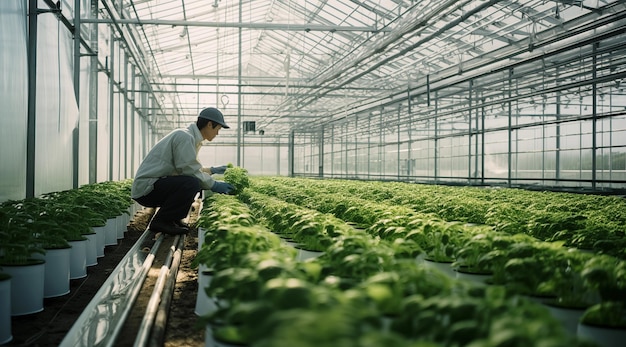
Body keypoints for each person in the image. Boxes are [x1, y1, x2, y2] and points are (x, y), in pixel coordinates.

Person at [131, 107, 235, 235]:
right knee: (191, 183)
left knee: (191, 181)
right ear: (209, 124)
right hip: (147, 189)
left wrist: (211, 170)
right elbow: (190, 171)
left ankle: (172, 219)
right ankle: (161, 221)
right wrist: (214, 184)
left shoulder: (189, 138)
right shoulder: (185, 137)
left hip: (154, 186)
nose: (217, 133)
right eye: (217, 129)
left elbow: (188, 167)